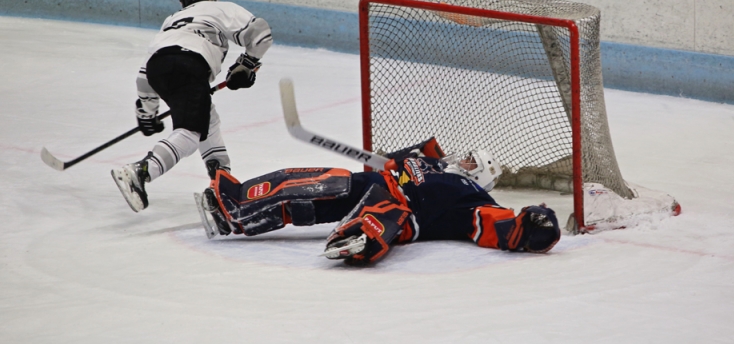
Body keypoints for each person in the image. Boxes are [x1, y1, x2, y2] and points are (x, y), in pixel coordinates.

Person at [197, 137, 561, 265]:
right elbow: (397, 160)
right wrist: (400, 158)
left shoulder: (474, 196)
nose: (461, 161)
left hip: (401, 210)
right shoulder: (432, 162)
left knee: (386, 212)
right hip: (369, 182)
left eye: (470, 162)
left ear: (479, 175)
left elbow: (503, 228)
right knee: (307, 183)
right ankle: (236, 208)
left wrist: (534, 223)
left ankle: (363, 239)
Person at [111, 0, 273, 213]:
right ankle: (141, 172)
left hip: (159, 69)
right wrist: (247, 64)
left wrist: (147, 111)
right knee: (190, 133)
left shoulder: (172, 21)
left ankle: (220, 184)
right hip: (189, 64)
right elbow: (261, 33)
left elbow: (145, 76)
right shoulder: (219, 7)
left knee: (208, 119)